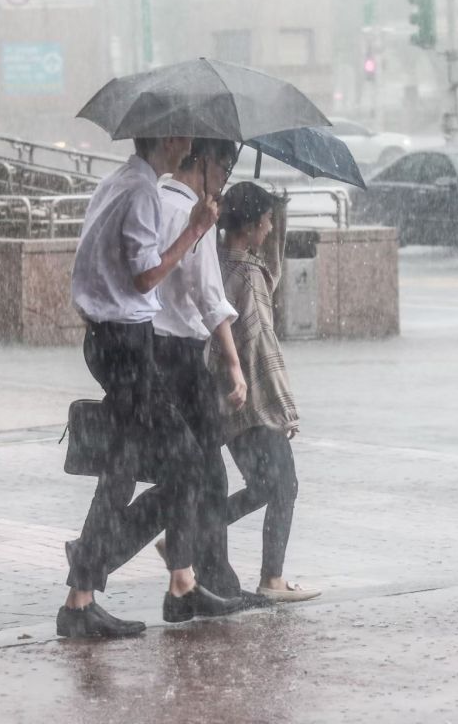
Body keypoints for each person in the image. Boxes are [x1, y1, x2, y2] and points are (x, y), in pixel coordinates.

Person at [61, 136, 247, 639]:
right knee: (188, 465)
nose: (187, 144)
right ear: (168, 140)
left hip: (116, 339)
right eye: (183, 137)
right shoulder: (143, 193)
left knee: (123, 467)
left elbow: (92, 263)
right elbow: (146, 279)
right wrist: (195, 230)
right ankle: (93, 573)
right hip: (126, 344)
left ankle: (99, 594)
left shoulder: (117, 183)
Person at [210, 181, 320, 603]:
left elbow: (268, 268)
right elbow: (260, 351)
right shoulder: (249, 278)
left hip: (228, 402)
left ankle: (187, 540)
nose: (272, 228)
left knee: (261, 487)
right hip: (254, 403)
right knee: (283, 486)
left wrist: (278, 208)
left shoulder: (220, 266)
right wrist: (283, 410)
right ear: (254, 224)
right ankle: (272, 579)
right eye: (269, 221)